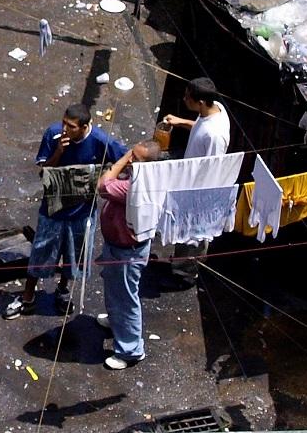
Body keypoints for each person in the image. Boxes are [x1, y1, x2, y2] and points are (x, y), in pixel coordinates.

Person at [4, 104, 128, 318]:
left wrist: (107, 176)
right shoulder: (53, 135)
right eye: (64, 123)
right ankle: (28, 296)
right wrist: (59, 151)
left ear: (85, 126)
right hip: (53, 208)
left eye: (71, 126)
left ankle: (62, 290)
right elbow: (44, 171)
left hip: (81, 211)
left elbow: (125, 158)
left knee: (74, 255)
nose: (65, 129)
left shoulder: (100, 141)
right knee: (41, 252)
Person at [95, 141, 162, 370]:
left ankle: (131, 350)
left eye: (136, 159)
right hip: (120, 246)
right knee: (115, 291)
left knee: (125, 298)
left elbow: (102, 185)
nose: (131, 162)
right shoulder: (145, 179)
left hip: (126, 251)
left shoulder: (134, 187)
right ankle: (116, 323)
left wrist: (123, 159)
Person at [160, 77, 231, 287]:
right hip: (188, 182)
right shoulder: (214, 108)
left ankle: (185, 275)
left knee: (194, 234)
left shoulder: (215, 135)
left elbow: (213, 170)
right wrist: (181, 122)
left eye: (187, 97)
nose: (184, 99)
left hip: (199, 190)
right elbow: (200, 127)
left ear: (200, 101)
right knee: (184, 229)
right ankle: (179, 264)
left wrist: (196, 199)